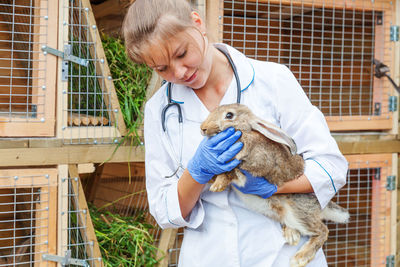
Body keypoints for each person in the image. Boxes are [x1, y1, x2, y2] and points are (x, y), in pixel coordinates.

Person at [123, 0, 348, 266]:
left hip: (281, 253)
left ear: (198, 23)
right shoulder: (158, 110)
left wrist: (273, 185)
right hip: (209, 255)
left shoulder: (273, 80)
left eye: (182, 53)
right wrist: (196, 173)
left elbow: (331, 166)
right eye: (162, 69)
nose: (179, 72)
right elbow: (164, 211)